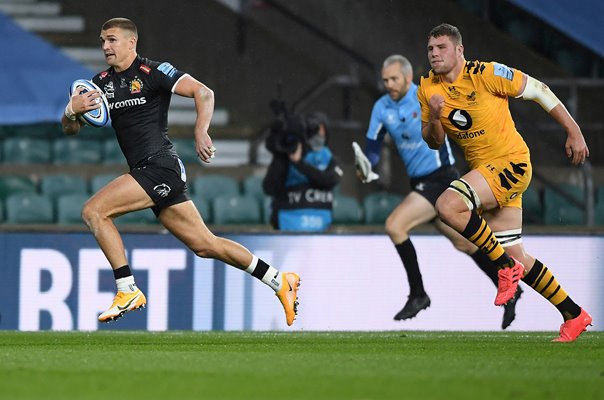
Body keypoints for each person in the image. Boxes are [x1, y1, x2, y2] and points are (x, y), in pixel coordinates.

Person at [61, 17, 300, 326]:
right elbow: (71, 130)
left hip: (159, 167)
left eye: (112, 40)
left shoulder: (155, 72)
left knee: (94, 212)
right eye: (103, 41)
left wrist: (202, 131)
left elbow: (204, 92)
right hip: (150, 171)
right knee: (206, 245)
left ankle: (127, 288)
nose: (105, 46)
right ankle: (279, 280)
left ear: (131, 42)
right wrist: (71, 110)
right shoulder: (100, 83)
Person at [418, 23, 592, 342]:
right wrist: (432, 117)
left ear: (459, 50)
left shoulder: (486, 73)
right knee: (517, 257)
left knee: (447, 205)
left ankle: (501, 267)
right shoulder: (427, 87)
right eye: (430, 49)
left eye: (441, 47)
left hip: (510, 162)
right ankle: (573, 314)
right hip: (487, 173)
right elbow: (433, 141)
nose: (434, 54)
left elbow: (539, 90)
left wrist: (574, 130)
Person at [356, 54, 521, 329]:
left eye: (394, 79)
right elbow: (372, 147)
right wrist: (367, 166)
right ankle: (507, 281)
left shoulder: (424, 96)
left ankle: (418, 294)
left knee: (395, 226)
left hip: (440, 178)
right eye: (385, 80)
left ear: (408, 78)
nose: (389, 84)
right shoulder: (381, 107)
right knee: (465, 243)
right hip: (421, 184)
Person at [263, 111, 342, 231]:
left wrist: (299, 163)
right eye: (313, 132)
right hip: (286, 228)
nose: (317, 136)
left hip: (321, 230)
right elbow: (269, 188)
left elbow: (329, 180)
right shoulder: (286, 157)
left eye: (320, 131)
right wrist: (280, 155)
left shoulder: (330, 159)